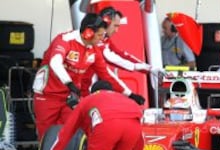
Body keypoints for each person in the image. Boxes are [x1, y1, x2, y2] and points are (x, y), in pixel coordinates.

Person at [32, 13, 145, 141]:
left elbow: (106, 75)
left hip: (70, 97)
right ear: (88, 33)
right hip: (48, 95)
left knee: (72, 131)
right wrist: (69, 83)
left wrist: (130, 94)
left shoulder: (94, 50)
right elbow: (55, 63)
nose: (102, 39)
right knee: (46, 135)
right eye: (99, 35)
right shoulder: (65, 40)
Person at [81, 7, 162, 96]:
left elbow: (121, 54)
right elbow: (111, 58)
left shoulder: (105, 39)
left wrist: (148, 68)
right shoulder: (96, 40)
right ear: (106, 23)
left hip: (82, 87)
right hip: (76, 86)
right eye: (115, 26)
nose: (116, 30)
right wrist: (145, 68)